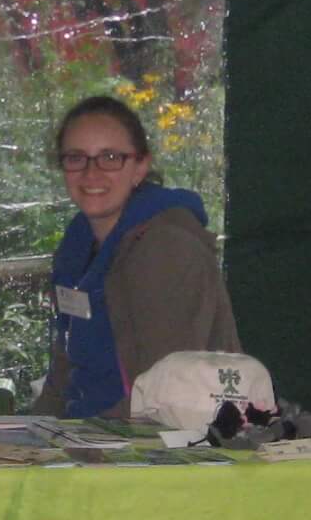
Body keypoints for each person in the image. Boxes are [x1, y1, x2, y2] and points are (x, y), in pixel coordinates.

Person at [35, 93, 239, 419]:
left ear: (140, 167)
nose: (92, 173)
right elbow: (65, 367)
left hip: (150, 442)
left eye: (111, 157)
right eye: (76, 158)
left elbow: (164, 393)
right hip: (90, 435)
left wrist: (78, 438)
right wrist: (31, 432)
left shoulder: (167, 249)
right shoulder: (77, 246)